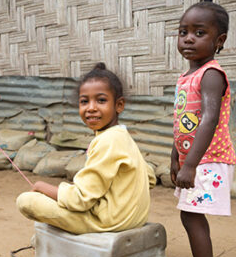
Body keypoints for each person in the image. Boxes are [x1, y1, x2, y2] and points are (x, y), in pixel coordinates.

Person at [16, 63, 156, 234]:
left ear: (119, 105)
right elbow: (149, 177)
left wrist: (42, 187)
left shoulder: (108, 140)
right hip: (135, 218)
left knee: (27, 201)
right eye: (84, 101)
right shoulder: (123, 136)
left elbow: (81, 199)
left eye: (101, 100)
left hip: (110, 222)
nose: (91, 108)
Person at [169, 0, 236, 257]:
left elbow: (209, 119)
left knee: (192, 215)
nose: (188, 38)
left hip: (209, 160)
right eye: (183, 31)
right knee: (190, 213)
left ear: (218, 41)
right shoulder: (186, 77)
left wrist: (190, 165)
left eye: (199, 32)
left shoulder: (211, 74)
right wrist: (175, 158)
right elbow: (183, 122)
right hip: (195, 160)